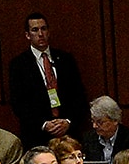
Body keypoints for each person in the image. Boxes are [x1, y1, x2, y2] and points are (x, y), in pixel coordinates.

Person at [9, 12, 88, 142]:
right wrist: (44, 124)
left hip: (68, 133)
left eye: (43, 29)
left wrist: (68, 121)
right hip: (36, 135)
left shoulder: (65, 59)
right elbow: (19, 104)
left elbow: (79, 95)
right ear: (27, 35)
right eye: (35, 30)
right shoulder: (19, 65)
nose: (40, 34)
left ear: (49, 32)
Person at [88, 96, 129, 163]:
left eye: (100, 122)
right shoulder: (89, 138)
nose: (94, 126)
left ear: (115, 120)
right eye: (93, 121)